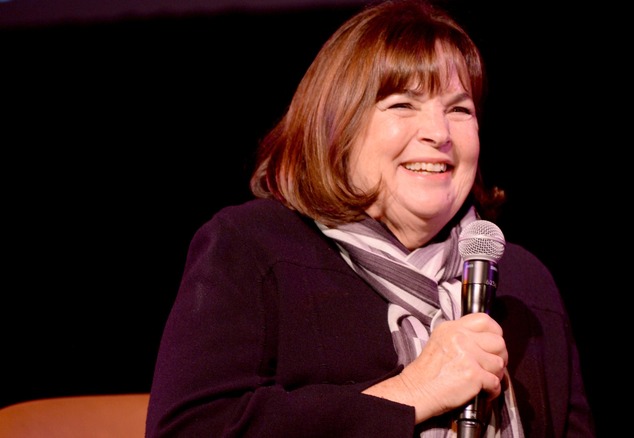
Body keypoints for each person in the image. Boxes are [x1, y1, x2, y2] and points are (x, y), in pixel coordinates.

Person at [145, 0, 596, 436]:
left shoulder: (524, 284)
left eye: (459, 110)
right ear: (337, 126)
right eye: (403, 104)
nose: (438, 134)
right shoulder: (252, 248)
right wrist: (415, 389)